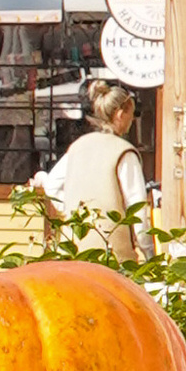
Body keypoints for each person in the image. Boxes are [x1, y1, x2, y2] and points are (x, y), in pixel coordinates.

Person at [36, 79, 154, 263]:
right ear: (120, 114)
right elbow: (137, 210)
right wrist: (149, 254)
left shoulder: (78, 146)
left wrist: (70, 210)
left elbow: (51, 185)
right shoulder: (124, 152)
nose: (132, 120)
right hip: (112, 253)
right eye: (132, 114)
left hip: (75, 249)